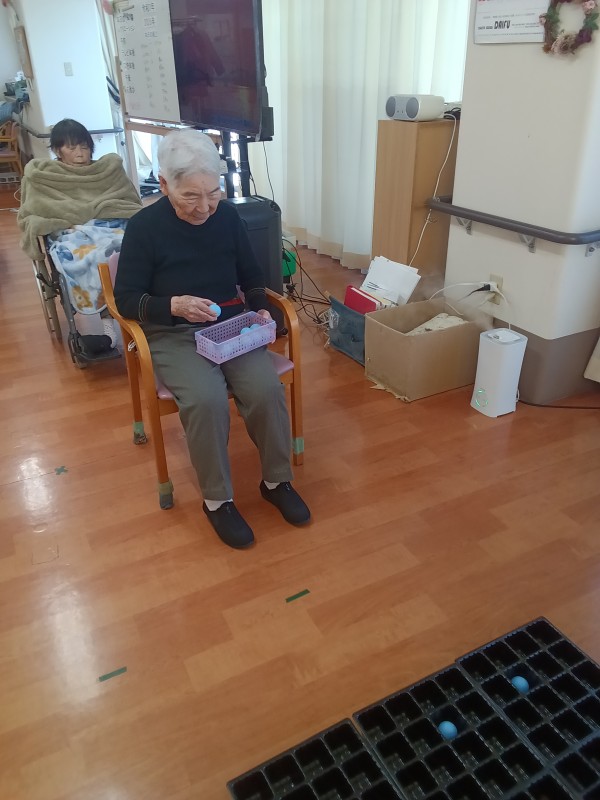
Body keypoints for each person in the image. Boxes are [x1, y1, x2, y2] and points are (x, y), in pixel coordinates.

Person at [114, 128, 310, 549]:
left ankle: (276, 482)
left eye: (214, 193)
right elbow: (126, 299)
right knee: (205, 400)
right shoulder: (144, 227)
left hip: (231, 326)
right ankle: (218, 501)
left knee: (265, 388)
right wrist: (174, 305)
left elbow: (251, 274)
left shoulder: (227, 217)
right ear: (164, 184)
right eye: (191, 196)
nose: (204, 207)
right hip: (173, 333)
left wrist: (260, 306)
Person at [18, 118, 142, 355]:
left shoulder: (107, 171)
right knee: (96, 257)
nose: (79, 153)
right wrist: (71, 221)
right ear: (58, 150)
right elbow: (36, 210)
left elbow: (129, 202)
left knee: (133, 248)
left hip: (110, 224)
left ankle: (143, 315)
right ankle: (108, 330)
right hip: (70, 232)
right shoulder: (44, 176)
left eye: (84, 146)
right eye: (72, 147)